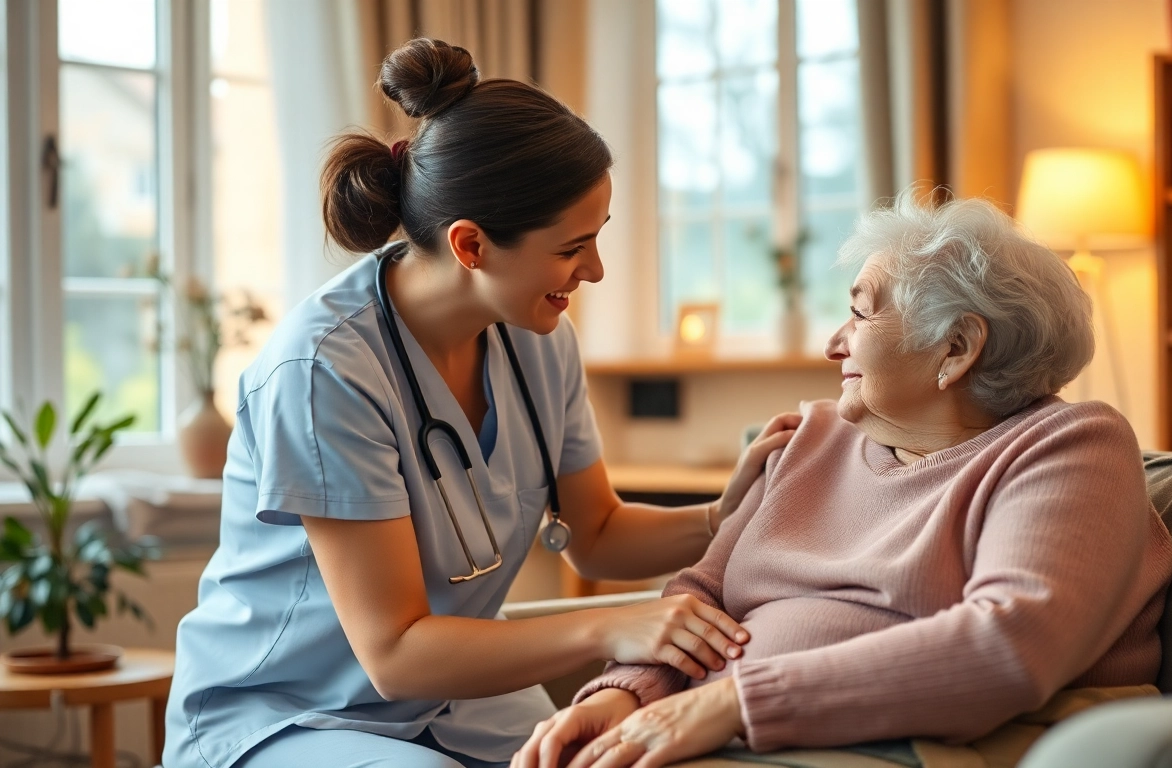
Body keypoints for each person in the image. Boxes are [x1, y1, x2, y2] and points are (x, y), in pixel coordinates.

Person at [163, 38, 799, 768]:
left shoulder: (539, 339)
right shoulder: (324, 371)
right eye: (571, 248)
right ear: (470, 245)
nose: (594, 270)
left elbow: (596, 532)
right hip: (284, 714)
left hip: (454, 701)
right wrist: (611, 626)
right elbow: (395, 652)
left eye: (596, 239)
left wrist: (726, 515)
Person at [514, 191, 1172, 768]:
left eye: (860, 314)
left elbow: (1009, 644)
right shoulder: (814, 439)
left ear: (955, 348)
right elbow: (701, 595)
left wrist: (734, 702)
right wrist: (622, 694)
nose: (834, 343)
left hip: (895, 747)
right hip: (715, 734)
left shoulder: (1069, 447)